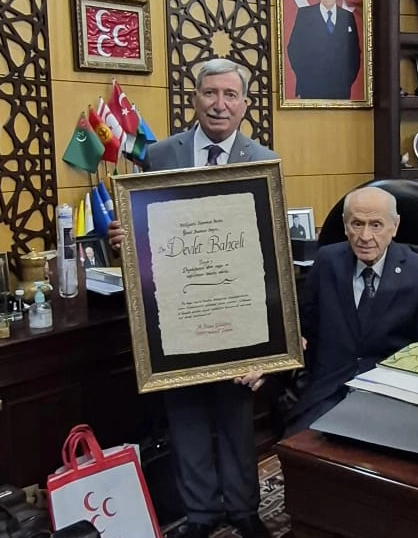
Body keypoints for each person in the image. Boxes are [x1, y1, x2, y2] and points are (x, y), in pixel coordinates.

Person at [107, 58, 276, 538]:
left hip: (237, 309)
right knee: (185, 415)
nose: (219, 104)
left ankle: (243, 510)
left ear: (245, 104)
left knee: (236, 415)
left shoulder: (263, 159)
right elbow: (145, 232)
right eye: (210, 93)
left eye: (230, 95)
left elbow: (268, 245)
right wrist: (123, 239)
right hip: (178, 311)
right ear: (195, 97)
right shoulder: (161, 154)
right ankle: (200, 515)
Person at [283, 187, 418, 436]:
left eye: (376, 225)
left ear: (394, 226)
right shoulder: (327, 260)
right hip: (328, 390)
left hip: (390, 395)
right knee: (299, 448)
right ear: (345, 225)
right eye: (357, 224)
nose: (365, 236)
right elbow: (304, 325)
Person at [287, 0, 361, 99]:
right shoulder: (305, 14)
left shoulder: (347, 16)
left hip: (340, 90)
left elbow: (354, 53)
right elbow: (294, 49)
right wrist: (304, 80)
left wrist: (346, 81)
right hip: (310, 89)